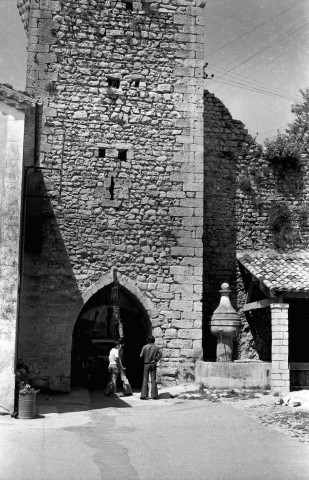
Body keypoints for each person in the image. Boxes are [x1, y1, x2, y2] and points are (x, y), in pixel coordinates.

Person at [140, 335, 162, 400]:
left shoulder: (145, 347)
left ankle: (144, 395)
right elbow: (160, 354)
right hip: (153, 364)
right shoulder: (156, 347)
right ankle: (154, 395)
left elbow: (141, 355)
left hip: (146, 364)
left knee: (145, 379)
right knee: (153, 379)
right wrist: (156, 360)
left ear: (148, 340)